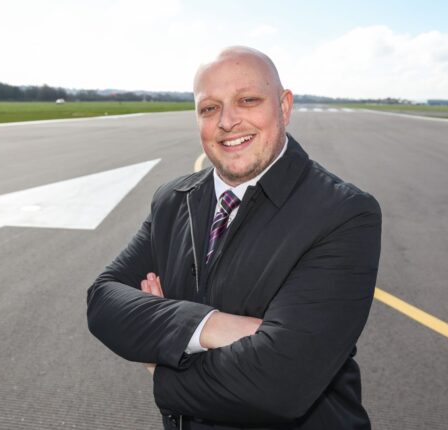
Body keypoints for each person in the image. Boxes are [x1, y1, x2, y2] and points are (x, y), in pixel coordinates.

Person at [87, 46, 381, 429]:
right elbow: (103, 300)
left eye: (247, 100)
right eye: (209, 108)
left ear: (285, 106)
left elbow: (281, 384)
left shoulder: (343, 213)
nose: (227, 121)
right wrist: (211, 326)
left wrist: (158, 358)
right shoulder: (173, 201)